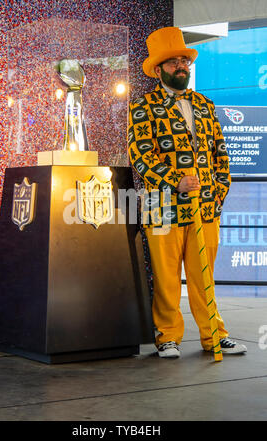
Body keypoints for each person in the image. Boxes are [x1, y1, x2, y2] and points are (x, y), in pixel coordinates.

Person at [128, 27, 247, 358]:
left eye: (184, 60)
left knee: (203, 275)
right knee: (166, 277)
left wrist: (220, 189)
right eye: (173, 62)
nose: (182, 66)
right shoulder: (142, 107)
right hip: (160, 204)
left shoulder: (205, 104)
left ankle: (213, 334)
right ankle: (167, 336)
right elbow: (140, 155)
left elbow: (220, 153)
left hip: (205, 205)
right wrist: (173, 181)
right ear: (158, 69)